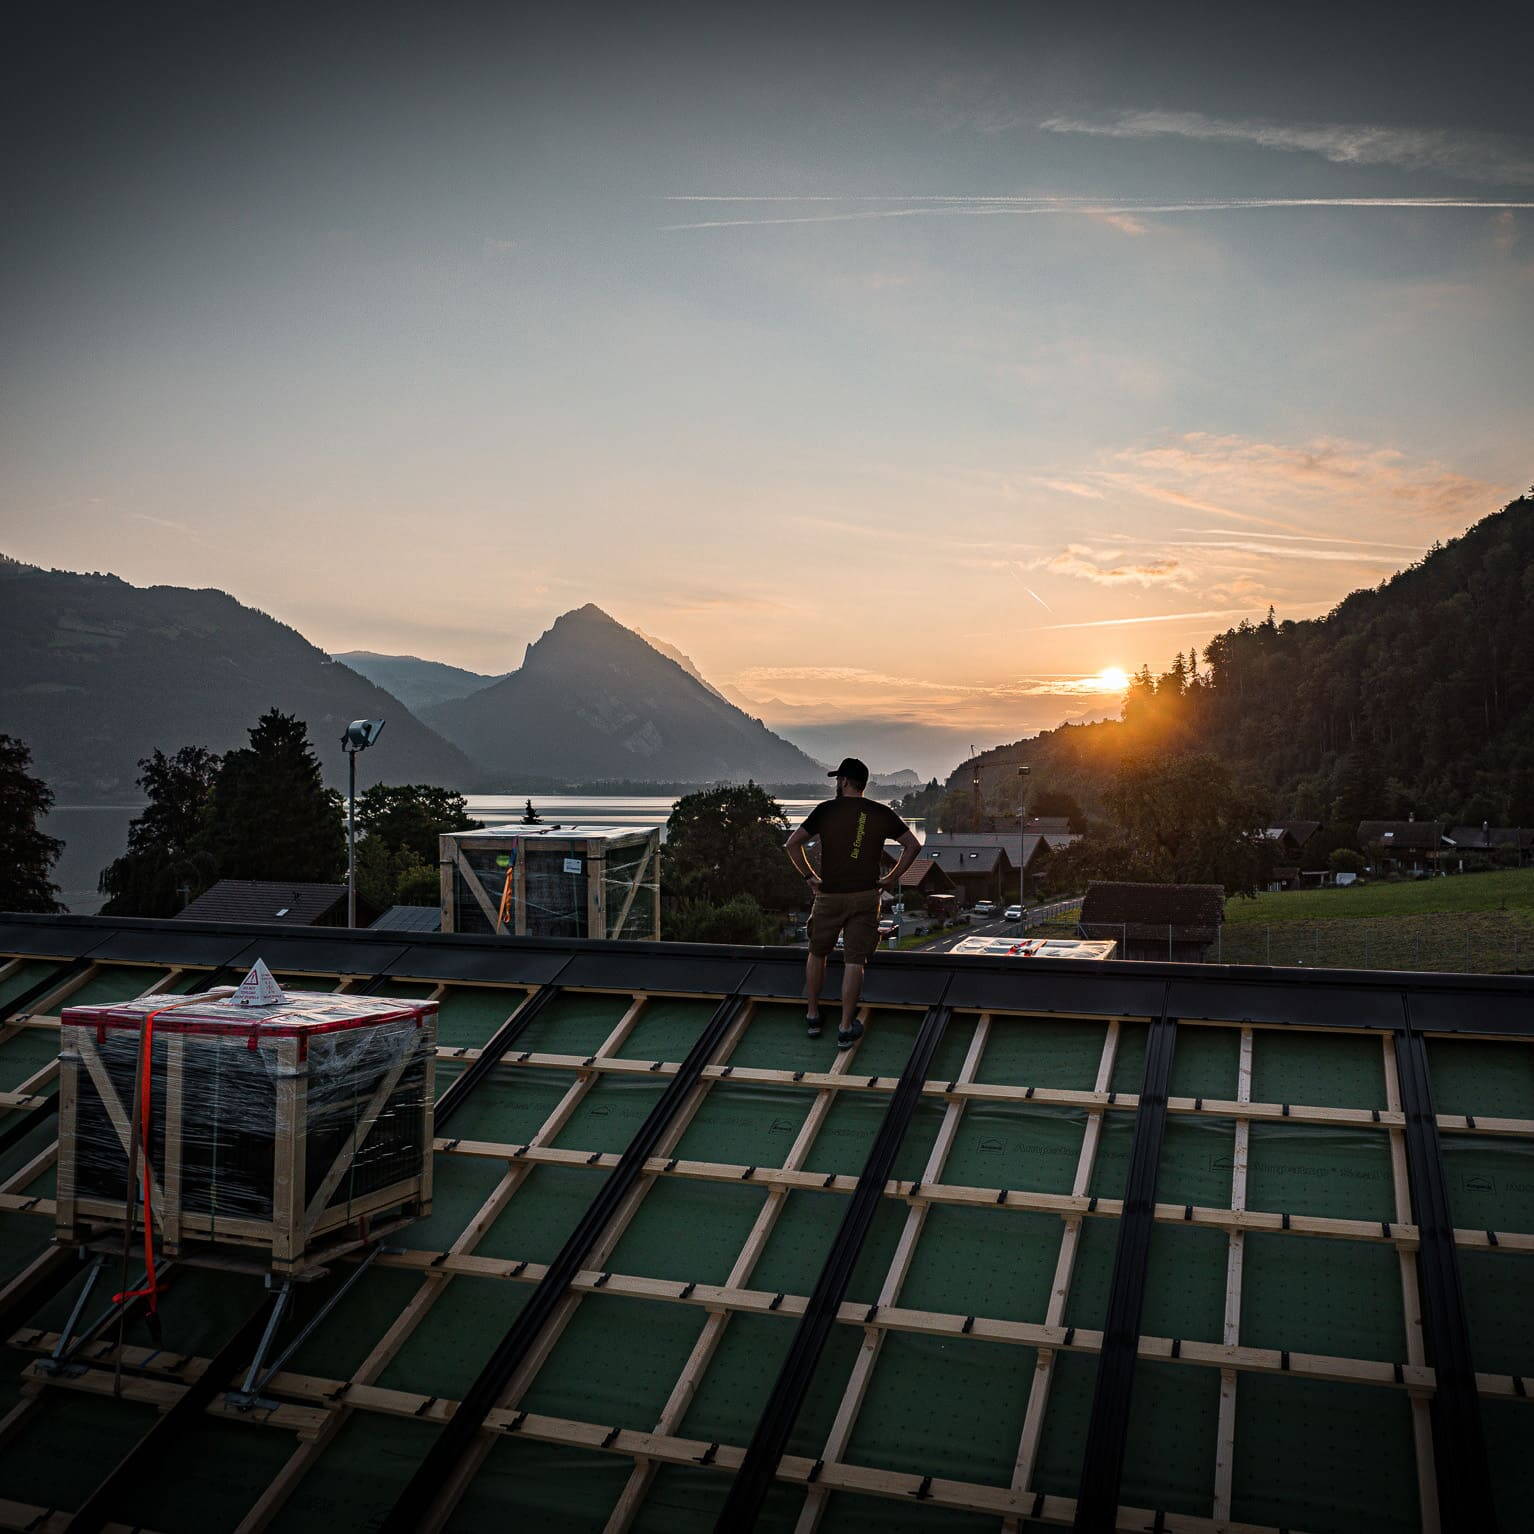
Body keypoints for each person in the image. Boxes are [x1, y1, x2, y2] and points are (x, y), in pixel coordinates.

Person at [784, 757, 922, 1047]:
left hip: (829, 896)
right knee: (854, 960)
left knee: (817, 952)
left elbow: (792, 844)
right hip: (865, 897)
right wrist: (891, 878)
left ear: (845, 781)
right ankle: (846, 1027)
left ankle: (812, 1015)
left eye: (838, 779)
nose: (836, 783)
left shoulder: (825, 811)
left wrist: (810, 877)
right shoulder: (880, 813)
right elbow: (913, 845)